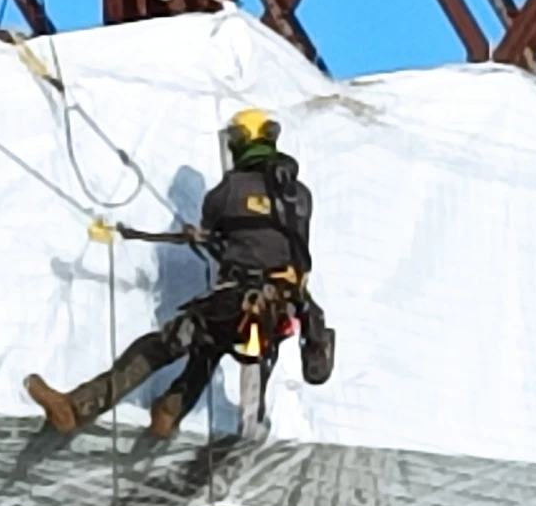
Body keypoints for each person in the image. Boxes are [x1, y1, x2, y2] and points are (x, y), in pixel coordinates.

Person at [27, 107, 334, 440]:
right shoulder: (301, 195)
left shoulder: (228, 190)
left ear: (239, 143)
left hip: (236, 298)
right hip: (284, 308)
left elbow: (216, 228)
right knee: (209, 347)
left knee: (167, 343)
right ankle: (168, 412)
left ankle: (76, 408)